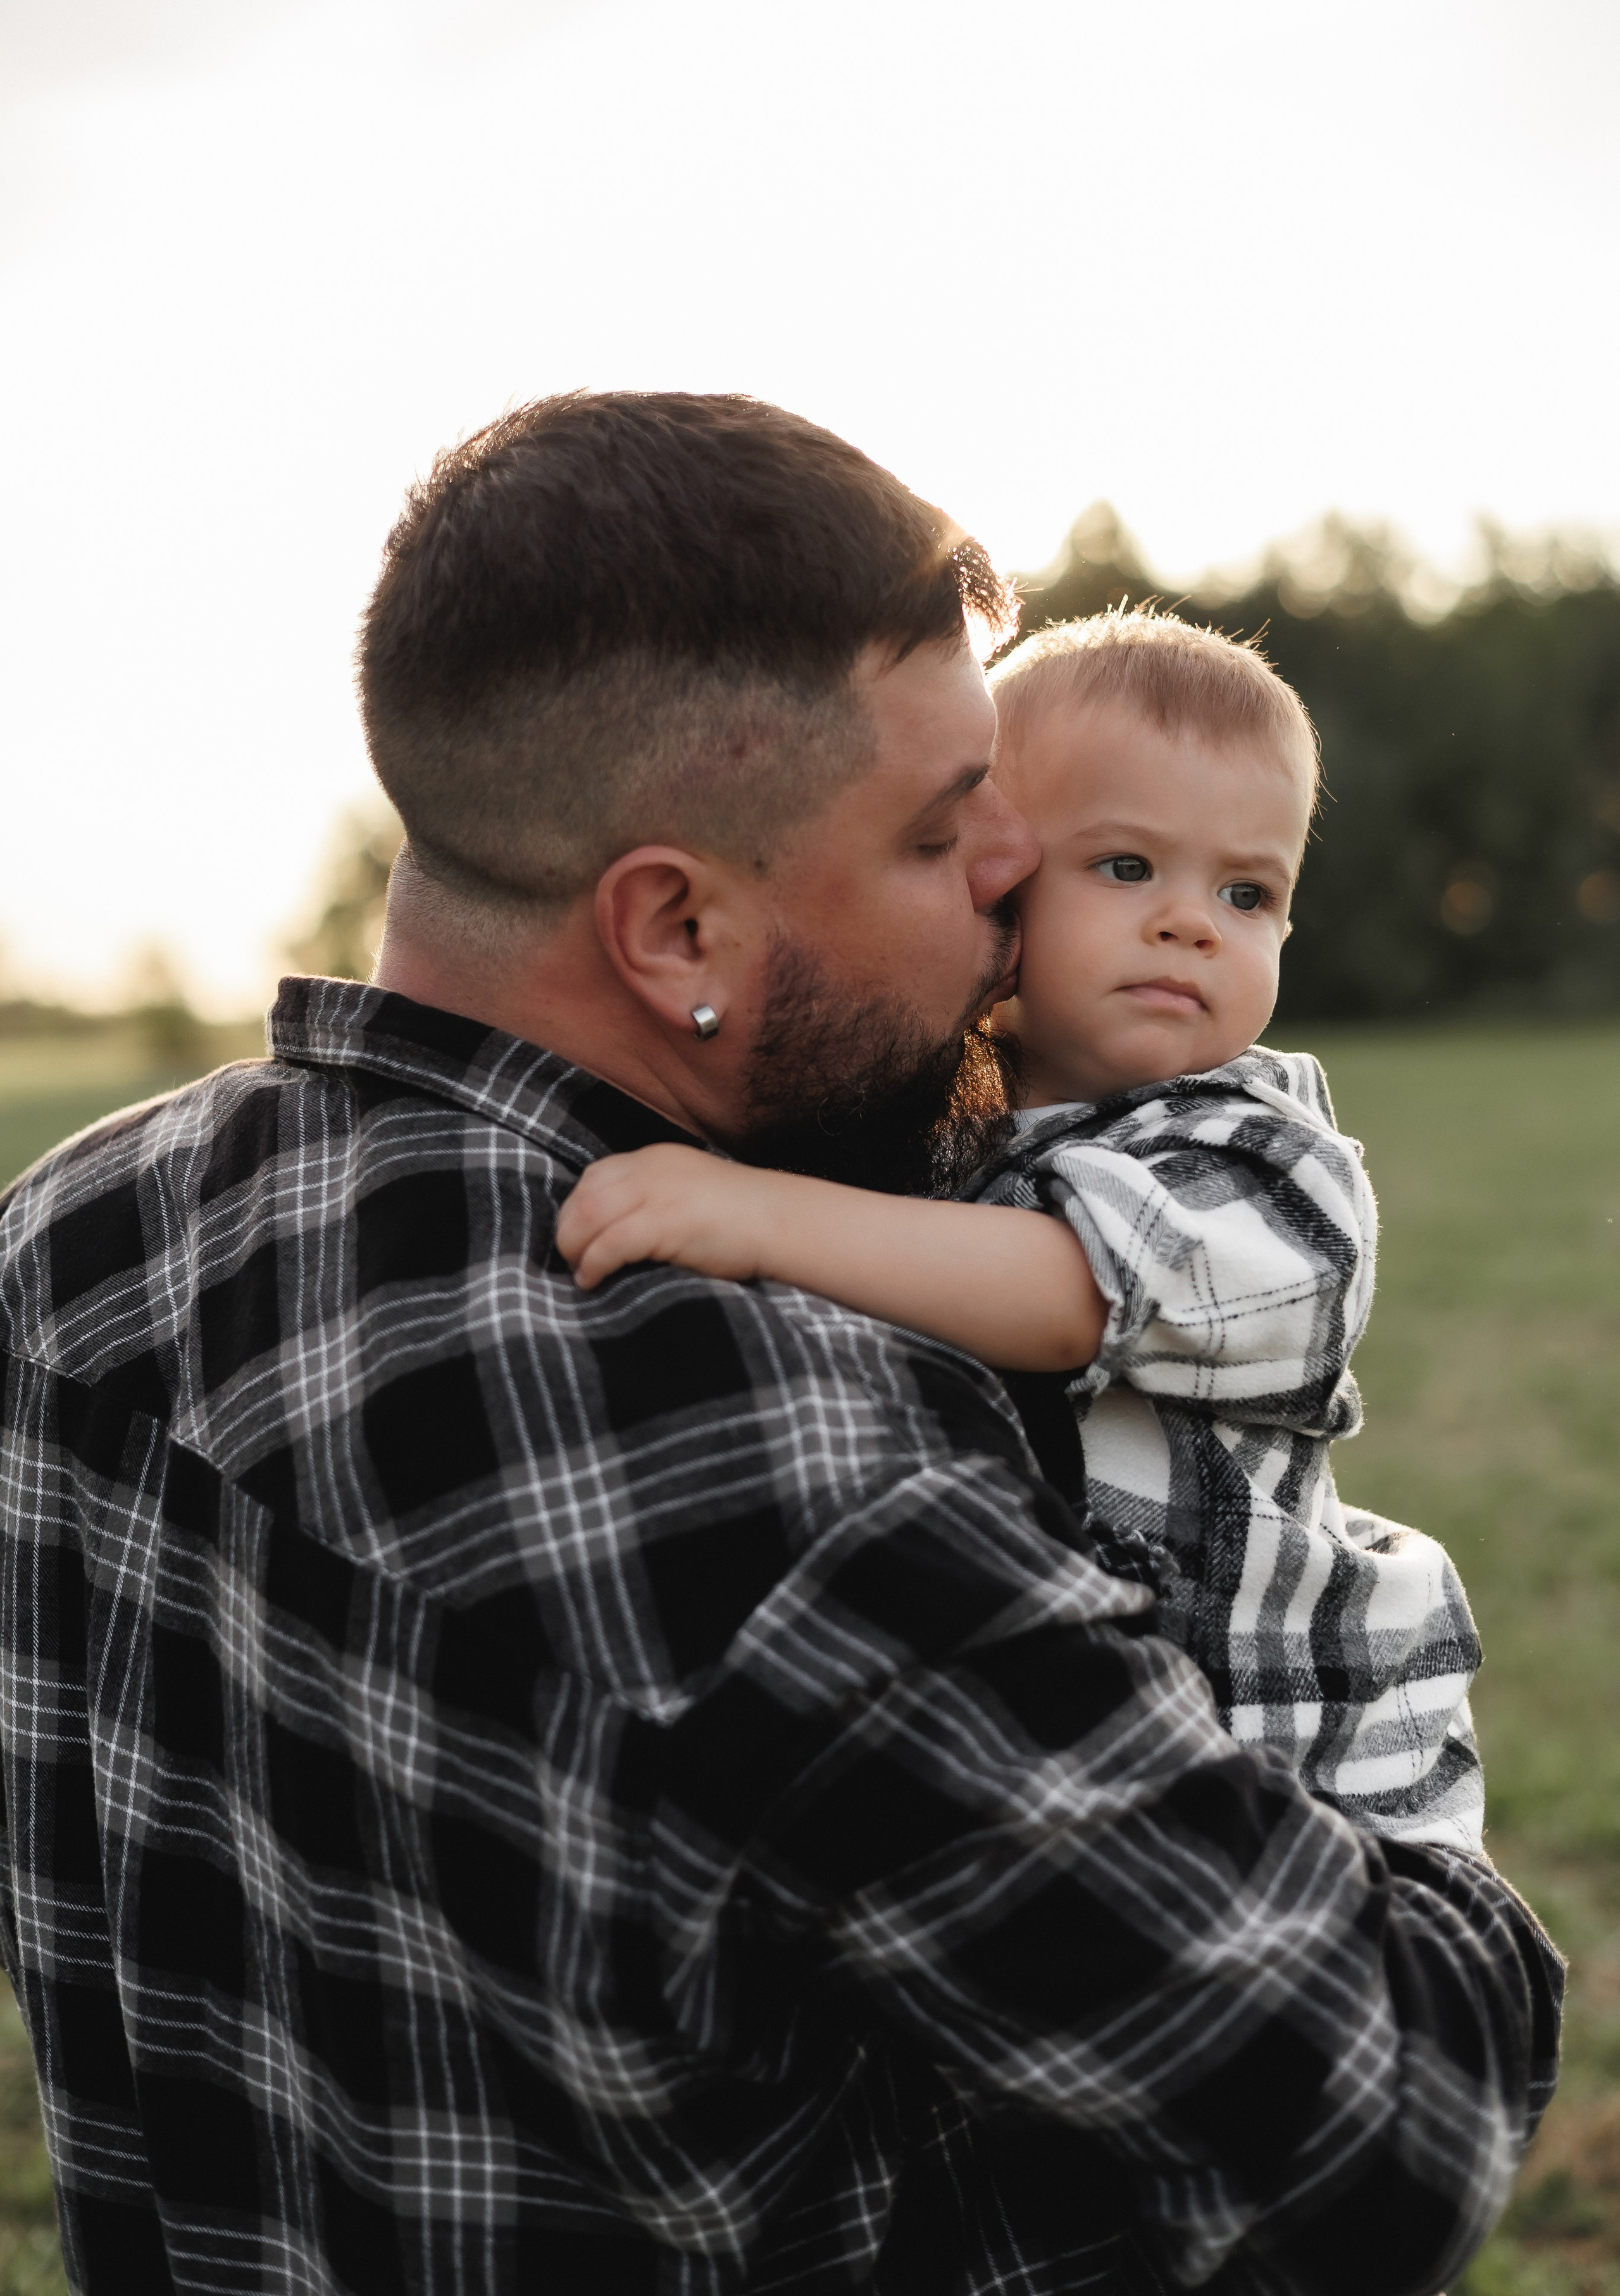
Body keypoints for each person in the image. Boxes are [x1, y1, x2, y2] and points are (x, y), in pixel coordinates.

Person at [0, 394, 1559, 2296]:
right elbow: (1386, 2119)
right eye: (937, 829)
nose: (1016, 868)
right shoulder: (781, 1437)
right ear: (676, 929)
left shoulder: (65, 1241)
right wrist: (1405, 1794)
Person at [558, 609, 1486, 1854]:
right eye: (1122, 868)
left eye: (1245, 891)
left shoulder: (1273, 1168)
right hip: (1079, 1766)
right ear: (995, 896)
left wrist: (760, 1218)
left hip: (1309, 1797)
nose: (1189, 922)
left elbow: (1067, 1294)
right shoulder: (950, 1150)